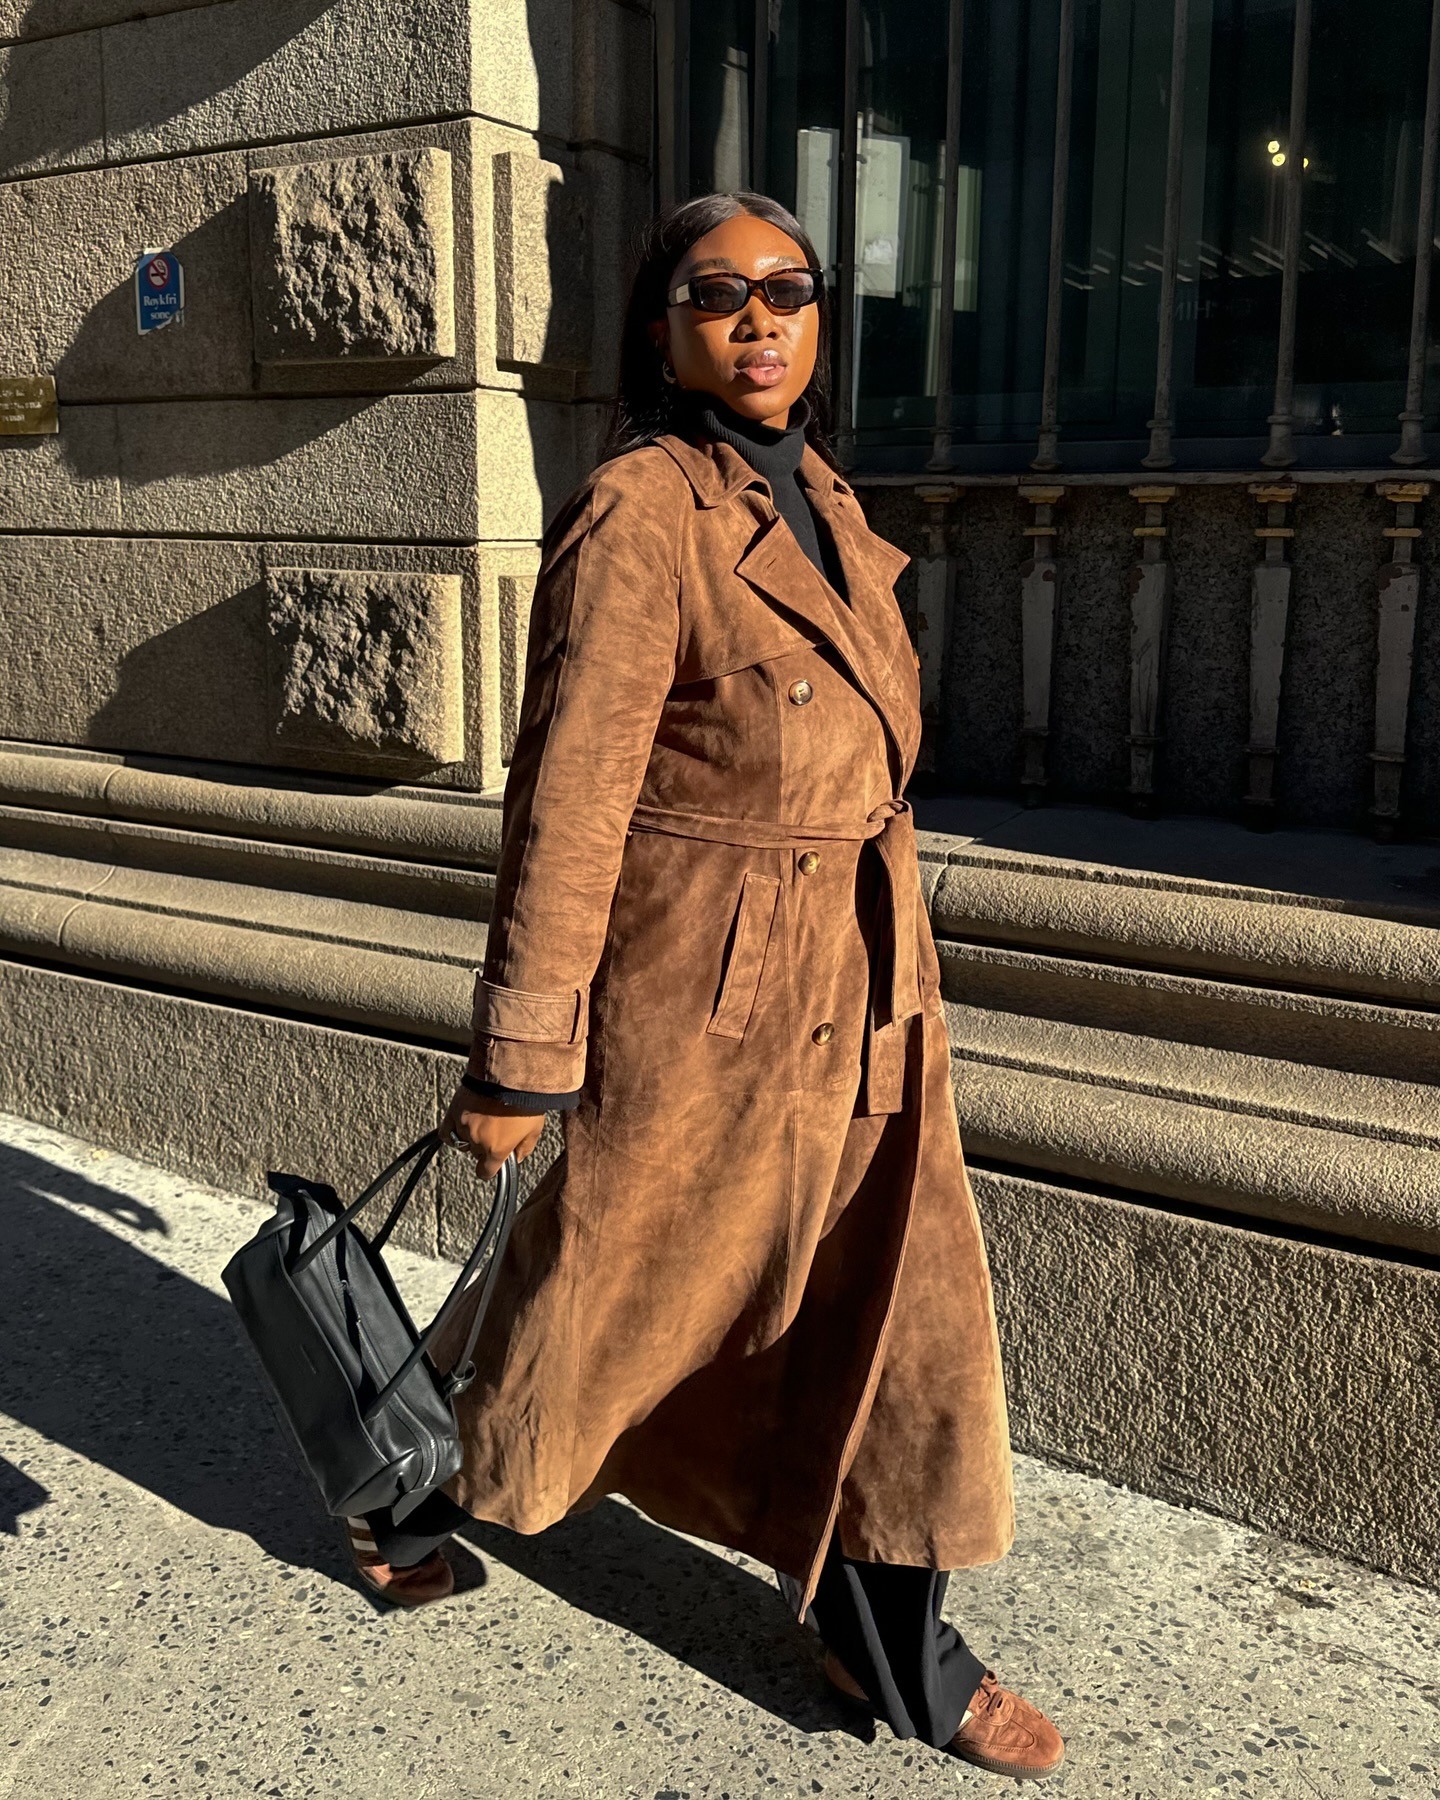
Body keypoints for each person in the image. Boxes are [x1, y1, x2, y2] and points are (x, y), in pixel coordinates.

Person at [346, 190, 1065, 1783]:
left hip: (871, 985)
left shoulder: (825, 500)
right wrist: (522, 1051)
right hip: (697, 989)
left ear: (821, 318)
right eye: (714, 292)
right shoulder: (642, 509)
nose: (758, 317)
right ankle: (396, 1487)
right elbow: (571, 794)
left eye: (787, 289)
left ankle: (892, 1643)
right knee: (596, 1297)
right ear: (660, 331)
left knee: (898, 1312)